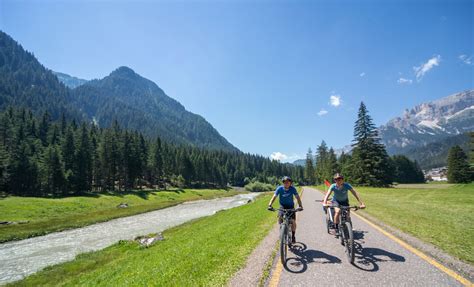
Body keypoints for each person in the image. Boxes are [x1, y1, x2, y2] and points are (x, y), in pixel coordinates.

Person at [268, 176, 303, 243]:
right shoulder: (279, 189)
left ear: (290, 183)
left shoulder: (292, 189)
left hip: (290, 206)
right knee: (280, 217)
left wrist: (300, 206)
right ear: (283, 183)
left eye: (288, 182)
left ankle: (293, 236)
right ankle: (282, 229)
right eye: (284, 182)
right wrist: (270, 205)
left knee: (293, 221)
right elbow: (274, 197)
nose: (286, 183)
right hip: (282, 206)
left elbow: (297, 197)